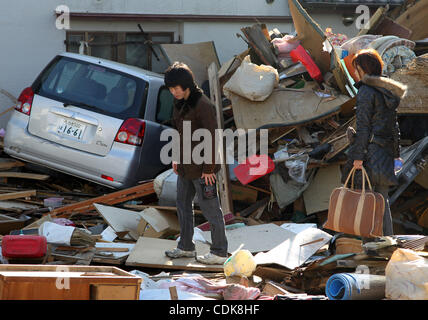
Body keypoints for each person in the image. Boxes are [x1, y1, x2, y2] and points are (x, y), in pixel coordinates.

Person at [163, 62, 228, 265]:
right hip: (185, 166)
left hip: (203, 169)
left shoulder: (203, 105)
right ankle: (185, 247)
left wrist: (209, 168)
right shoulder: (180, 102)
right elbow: (179, 132)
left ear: (187, 85)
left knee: (211, 210)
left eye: (176, 88)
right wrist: (176, 158)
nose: (173, 92)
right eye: (171, 89)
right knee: (182, 205)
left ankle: (219, 252)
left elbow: (212, 137)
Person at [343, 48, 407, 237]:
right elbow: (394, 128)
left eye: (356, 69)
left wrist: (357, 157)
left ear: (363, 69)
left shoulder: (365, 91)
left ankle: (368, 245)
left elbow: (364, 128)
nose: (355, 73)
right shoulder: (387, 91)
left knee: (364, 200)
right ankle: (387, 242)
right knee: (382, 200)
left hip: (370, 152)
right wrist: (396, 156)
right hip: (386, 153)